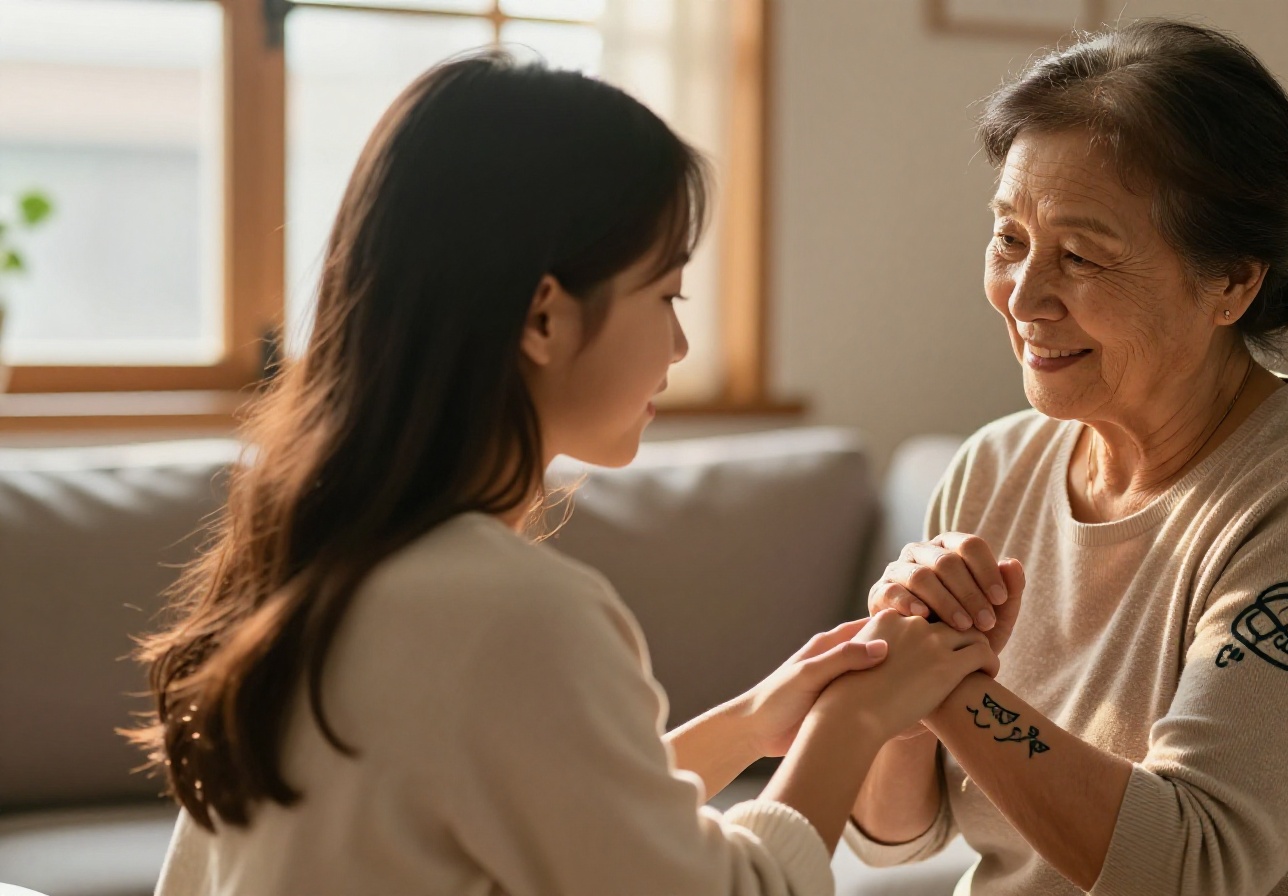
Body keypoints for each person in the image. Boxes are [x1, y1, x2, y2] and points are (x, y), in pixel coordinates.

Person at [126, 51, 998, 896]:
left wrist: (750, 723)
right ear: (544, 317)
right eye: (666, 295)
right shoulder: (511, 611)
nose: (679, 345)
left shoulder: (315, 563)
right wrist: (853, 722)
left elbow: (551, 821)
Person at [846, 20, 1288, 896]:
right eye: (1009, 238)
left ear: (1231, 282)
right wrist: (900, 687)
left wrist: (945, 681)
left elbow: (1191, 867)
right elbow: (892, 837)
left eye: (1080, 256)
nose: (1023, 296)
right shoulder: (990, 469)